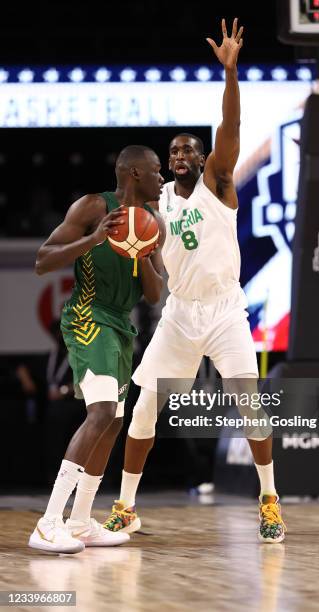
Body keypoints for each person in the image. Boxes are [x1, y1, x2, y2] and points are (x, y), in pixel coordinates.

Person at [103, 19, 286, 544]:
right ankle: (125, 506)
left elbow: (231, 125)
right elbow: (158, 255)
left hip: (225, 310)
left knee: (249, 402)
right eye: (173, 152)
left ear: (202, 159)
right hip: (181, 313)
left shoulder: (218, 183)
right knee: (143, 408)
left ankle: (269, 500)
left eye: (188, 151)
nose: (180, 157)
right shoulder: (158, 202)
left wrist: (231, 73)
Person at [29, 145, 165, 553]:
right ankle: (49, 521)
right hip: (89, 316)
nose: (162, 178)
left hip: (123, 325)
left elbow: (155, 295)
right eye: (157, 171)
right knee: (101, 412)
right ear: (135, 173)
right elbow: (42, 261)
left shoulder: (153, 222)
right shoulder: (92, 206)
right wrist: (94, 239)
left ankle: (81, 521)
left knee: (112, 422)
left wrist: (145, 255)